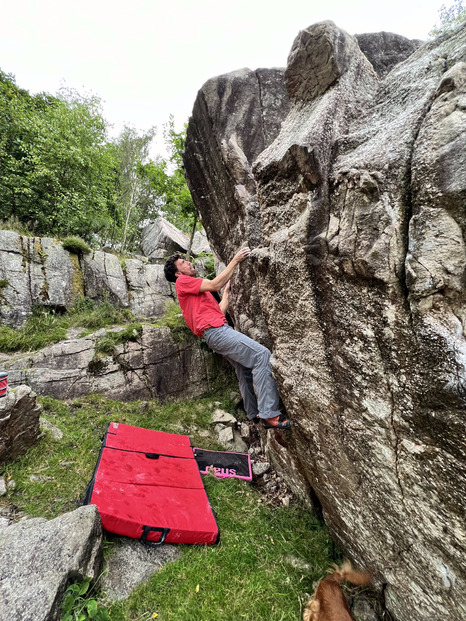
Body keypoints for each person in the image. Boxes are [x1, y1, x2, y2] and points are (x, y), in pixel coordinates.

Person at [164, 248, 290, 429]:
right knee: (262, 356)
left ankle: (252, 413)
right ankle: (269, 414)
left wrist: (226, 294)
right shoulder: (183, 281)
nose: (188, 262)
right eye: (183, 262)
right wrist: (235, 260)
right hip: (218, 332)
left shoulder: (196, 291)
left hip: (215, 333)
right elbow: (215, 284)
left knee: (243, 370)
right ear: (177, 273)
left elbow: (219, 310)